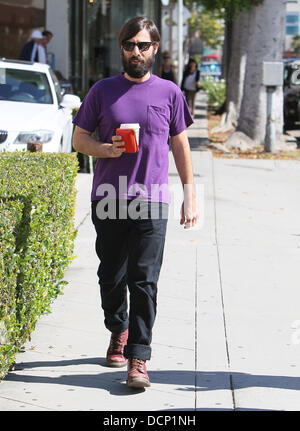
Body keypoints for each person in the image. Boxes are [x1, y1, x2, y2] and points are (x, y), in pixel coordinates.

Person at [72, 16, 199, 389]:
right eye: (130, 45)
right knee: (111, 276)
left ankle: (138, 358)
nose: (136, 51)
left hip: (152, 200)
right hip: (109, 197)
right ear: (121, 48)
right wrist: (103, 149)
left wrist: (189, 196)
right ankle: (119, 329)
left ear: (154, 49)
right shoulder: (102, 91)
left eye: (143, 45)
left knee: (144, 281)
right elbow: (80, 139)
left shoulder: (169, 93)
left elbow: (180, 144)